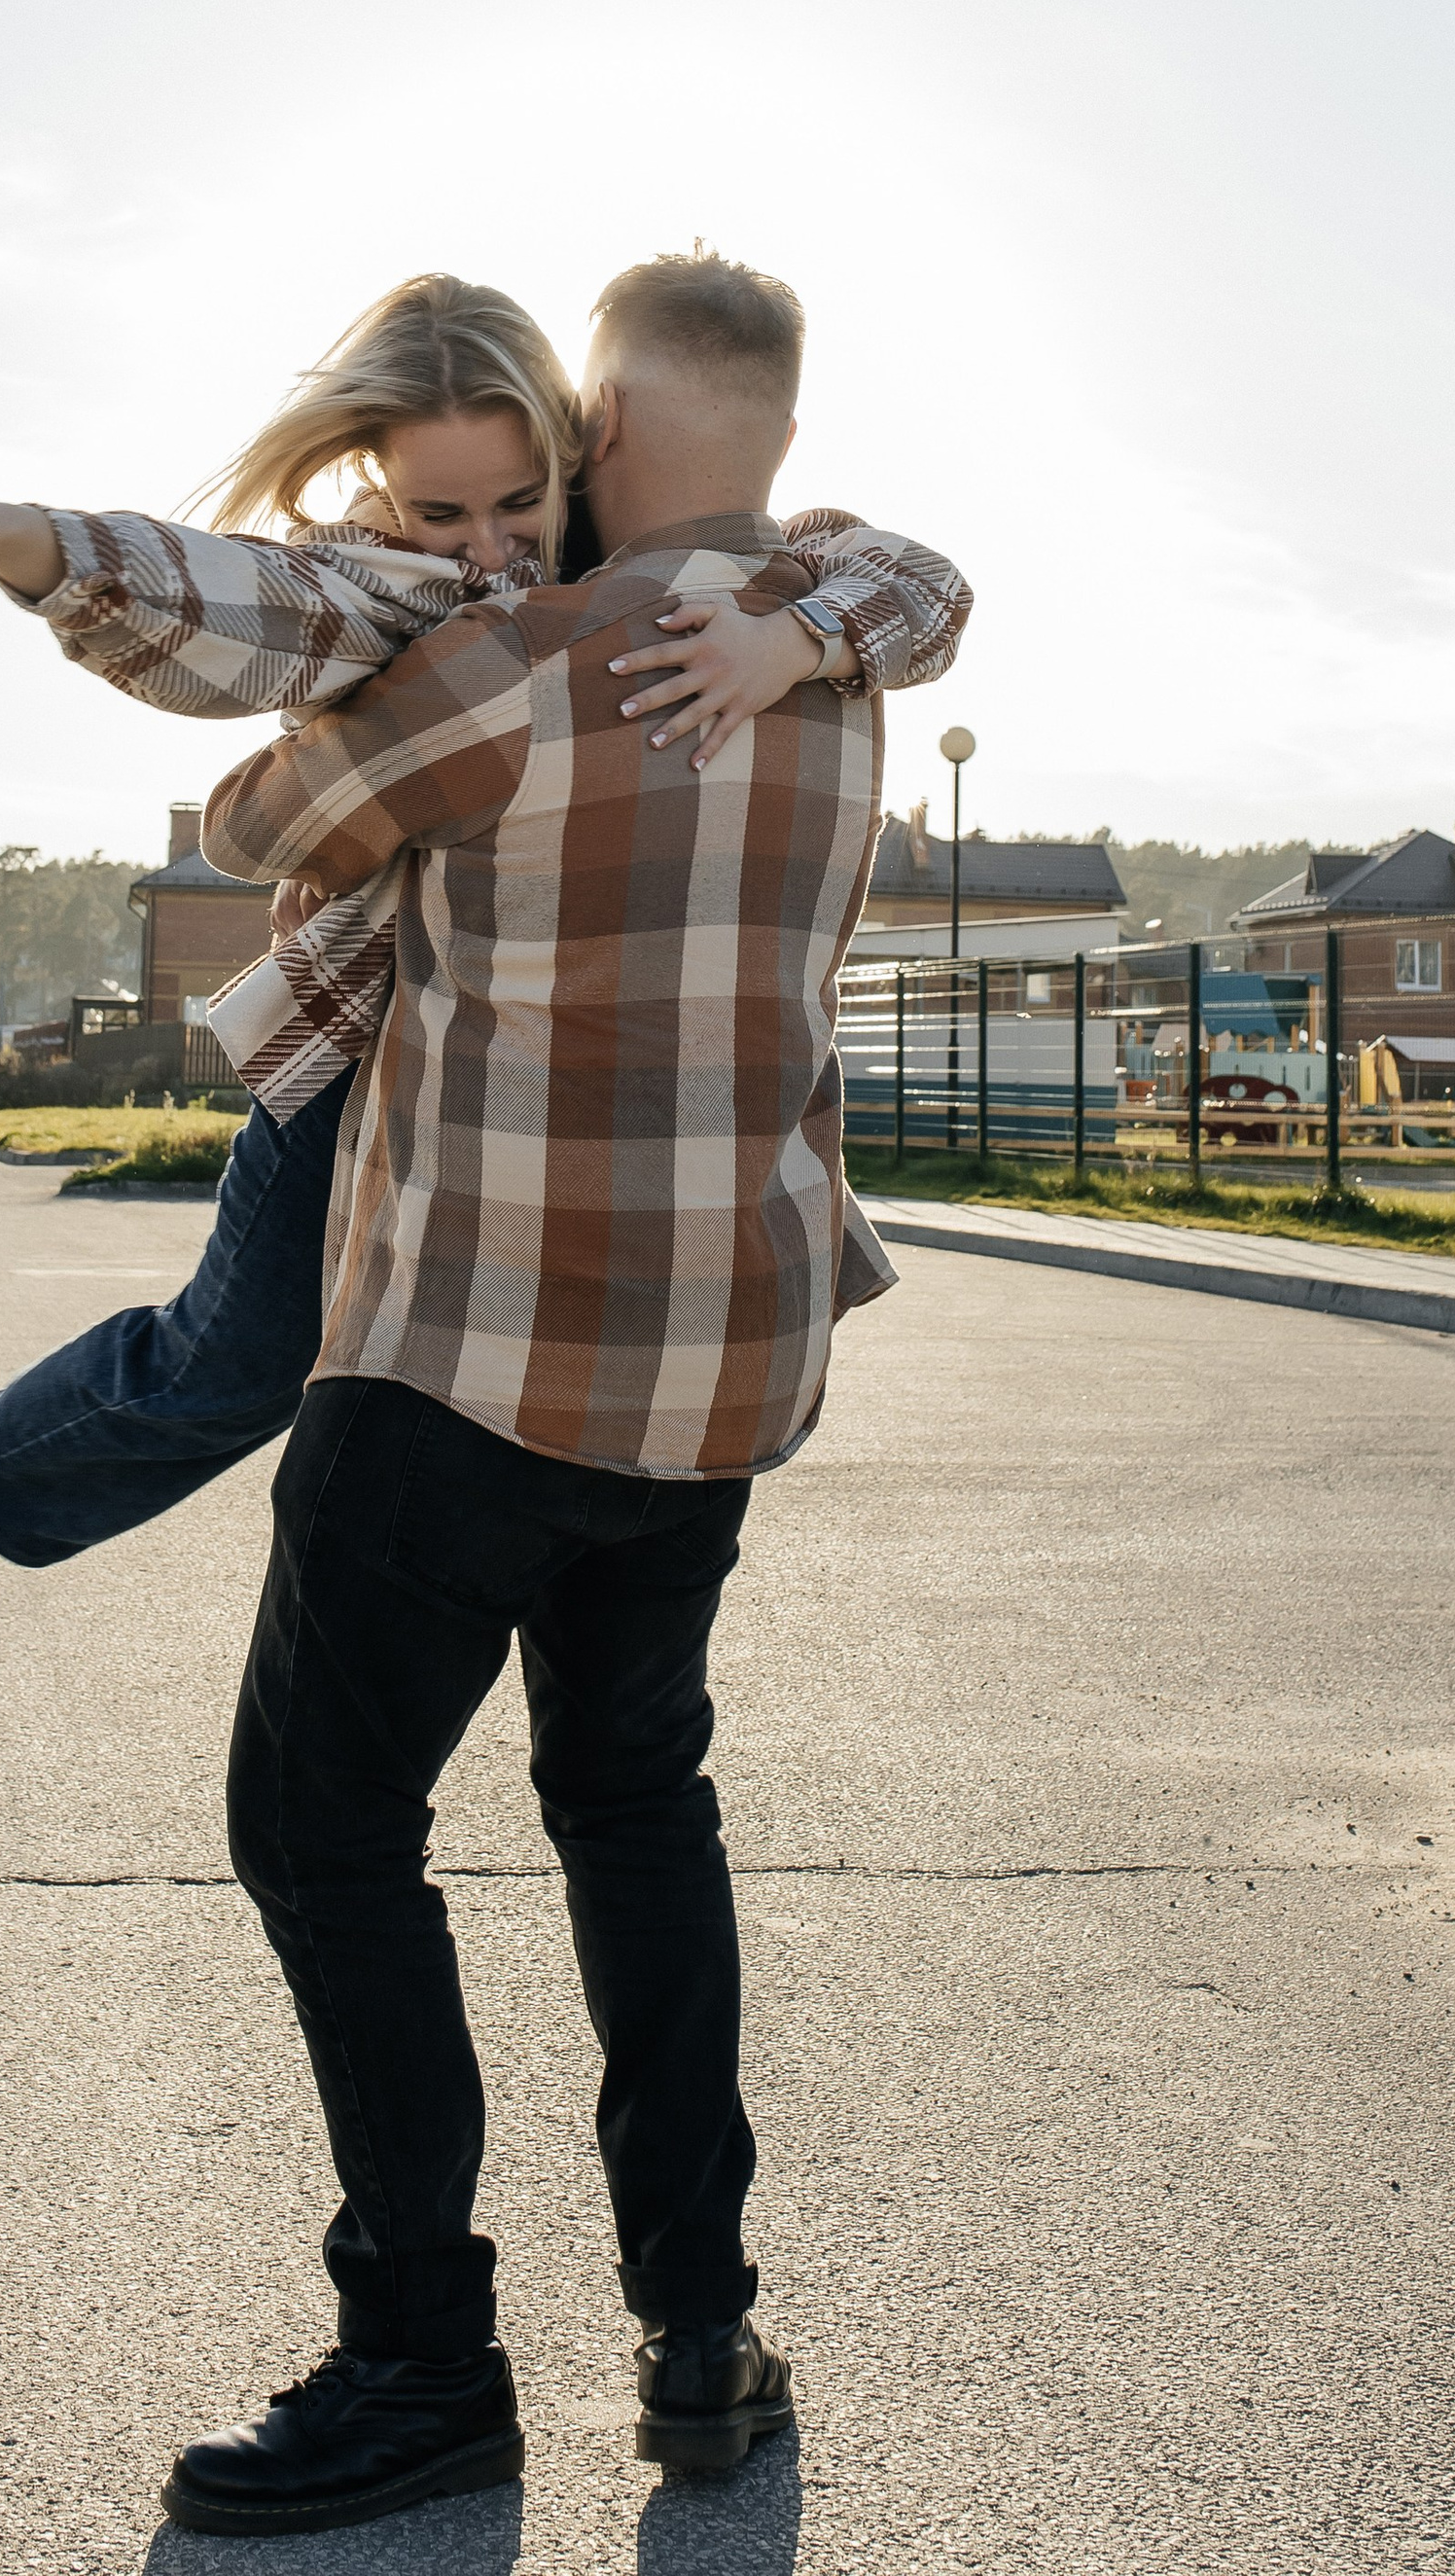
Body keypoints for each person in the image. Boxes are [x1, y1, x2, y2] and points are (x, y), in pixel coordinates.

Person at [150, 249, 970, 2540]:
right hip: (711, 1385)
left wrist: (385, 620)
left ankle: (420, 2360)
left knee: (323, 1833)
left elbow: (253, 830)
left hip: (464, 1373)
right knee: (630, 1807)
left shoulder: (514, 660)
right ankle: (697, 2334)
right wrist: (817, 601)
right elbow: (925, 580)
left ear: (594, 423)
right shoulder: (835, 659)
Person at [0, 274, 968, 1653]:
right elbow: (251, 604)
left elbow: (915, 576)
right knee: (236, 1366)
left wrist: (793, 637)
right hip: (361, 1051)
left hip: (514, 1064)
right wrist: (44, 548)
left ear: (579, 443)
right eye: (442, 512)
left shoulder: (643, 573)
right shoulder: (395, 591)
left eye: (519, 504)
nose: (493, 550)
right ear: (382, 496)